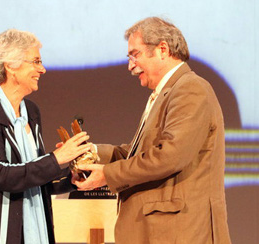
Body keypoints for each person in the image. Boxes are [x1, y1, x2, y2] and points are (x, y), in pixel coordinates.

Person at [74, 17, 231, 243]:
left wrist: (107, 175)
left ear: (162, 49)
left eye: (135, 55)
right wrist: (93, 153)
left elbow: (169, 155)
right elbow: (141, 154)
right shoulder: (167, 92)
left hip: (179, 232)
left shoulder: (190, 89)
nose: (130, 66)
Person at [0, 29, 92, 244]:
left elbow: (33, 178)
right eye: (36, 61)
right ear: (10, 65)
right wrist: (56, 158)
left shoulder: (31, 111)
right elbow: (0, 174)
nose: (43, 69)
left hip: (32, 228)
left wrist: (70, 178)